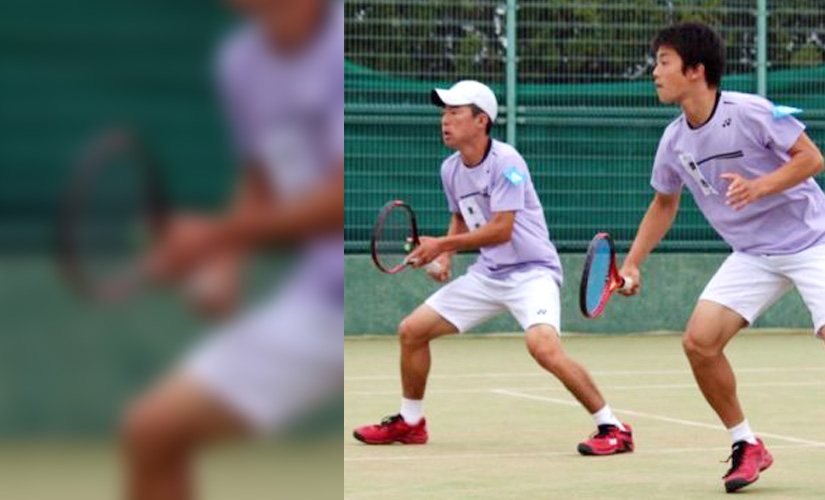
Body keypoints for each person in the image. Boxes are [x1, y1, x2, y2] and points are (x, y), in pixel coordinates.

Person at [620, 22, 825, 493]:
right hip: (754, 254)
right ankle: (746, 443)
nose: (655, 72)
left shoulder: (753, 112)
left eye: (663, 62)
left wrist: (761, 186)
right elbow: (663, 204)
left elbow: (811, 159)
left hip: (813, 242)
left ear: (695, 71)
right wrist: (633, 262)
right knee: (699, 343)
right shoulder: (673, 141)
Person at [122, 1, 344, 499]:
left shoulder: (337, 44)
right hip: (317, 302)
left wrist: (217, 235)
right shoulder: (240, 64)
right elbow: (260, 174)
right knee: (153, 433)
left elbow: (342, 194)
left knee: (153, 431)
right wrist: (223, 266)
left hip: (339, 303)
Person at [351, 79, 636, 457]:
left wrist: (441, 244)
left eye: (455, 112)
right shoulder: (450, 169)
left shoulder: (507, 163)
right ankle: (411, 422)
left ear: (481, 121)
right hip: (488, 275)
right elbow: (461, 216)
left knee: (543, 348)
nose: (445, 120)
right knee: (412, 332)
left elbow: (502, 229)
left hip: (533, 272)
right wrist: (445, 258)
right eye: (444, 113)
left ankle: (613, 427)